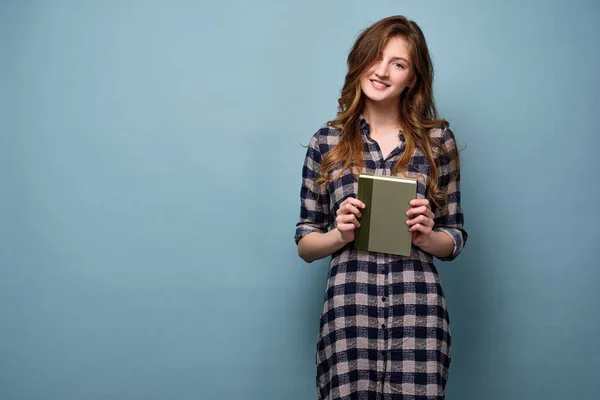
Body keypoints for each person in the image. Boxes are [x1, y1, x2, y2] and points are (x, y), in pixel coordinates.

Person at [294, 15, 468, 400]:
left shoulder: (438, 142)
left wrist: (427, 236)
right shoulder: (326, 142)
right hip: (347, 316)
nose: (382, 71)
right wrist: (339, 235)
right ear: (360, 61)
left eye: (399, 63)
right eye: (376, 57)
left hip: (418, 317)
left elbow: (455, 236)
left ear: (413, 78)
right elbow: (305, 241)